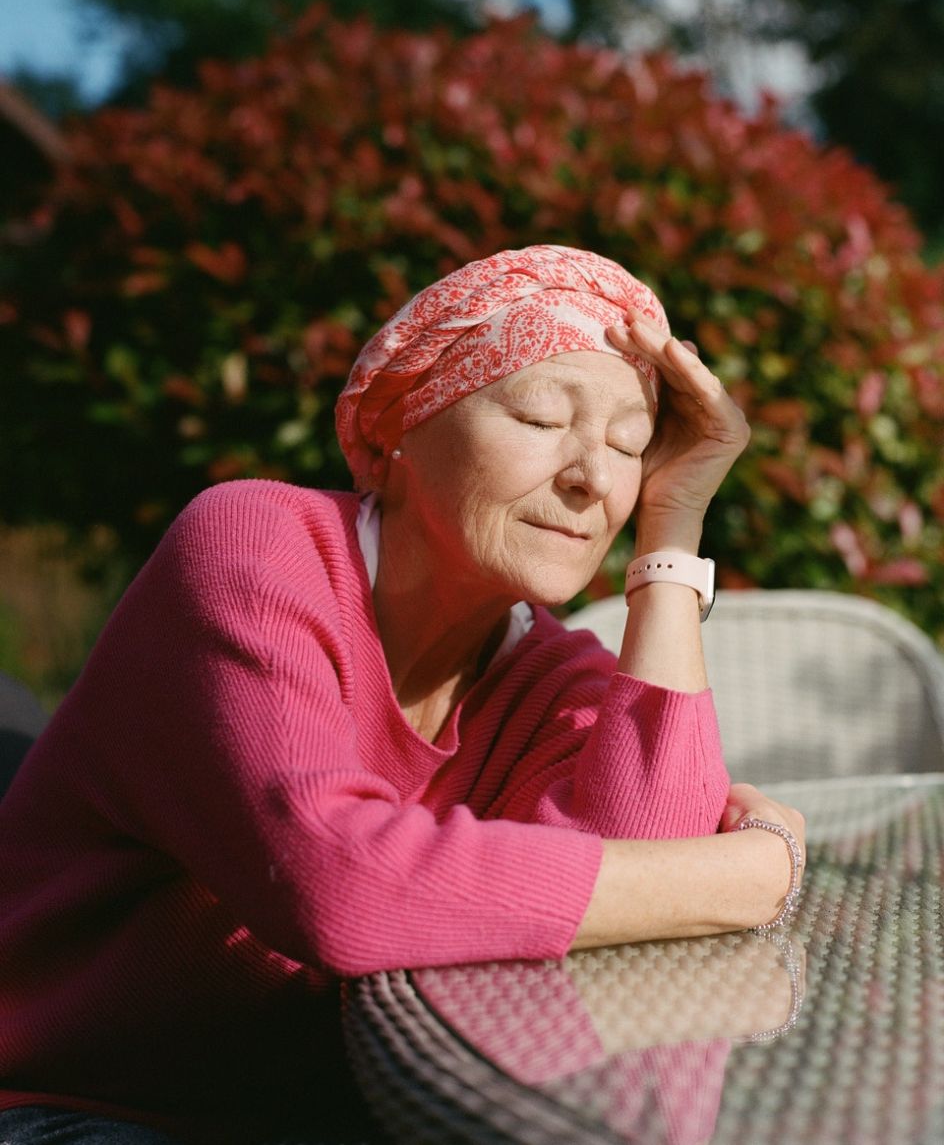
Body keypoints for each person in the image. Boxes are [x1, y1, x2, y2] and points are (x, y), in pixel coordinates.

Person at [0, 244, 805, 1145]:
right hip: (72, 1106)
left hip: (343, 1113)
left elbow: (647, 899)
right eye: (542, 417)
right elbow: (338, 886)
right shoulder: (253, 549)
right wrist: (751, 874)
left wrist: (675, 531)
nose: (594, 476)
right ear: (399, 435)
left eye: (629, 444)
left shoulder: (554, 674)